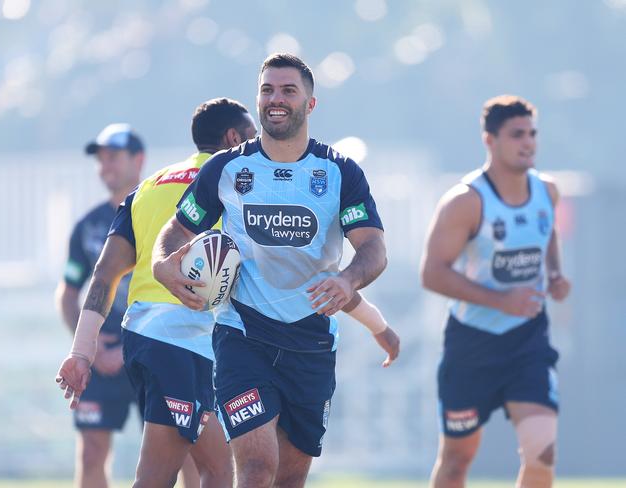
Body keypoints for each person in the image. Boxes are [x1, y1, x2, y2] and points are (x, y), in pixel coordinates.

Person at [152, 54, 389, 488]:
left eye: (287, 90)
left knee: (288, 478)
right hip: (243, 334)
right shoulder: (227, 168)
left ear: (310, 104)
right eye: (266, 90)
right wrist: (162, 263)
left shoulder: (339, 173)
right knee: (258, 469)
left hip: (311, 339)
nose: (275, 99)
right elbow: (178, 228)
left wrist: (348, 280)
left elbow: (373, 247)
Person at [56, 98, 256, 488]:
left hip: (145, 340)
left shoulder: (147, 188)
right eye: (251, 137)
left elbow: (104, 275)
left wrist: (81, 350)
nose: (258, 145)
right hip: (183, 342)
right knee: (167, 474)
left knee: (212, 467)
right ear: (233, 138)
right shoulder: (235, 180)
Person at [420, 95, 571, 488]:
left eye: (533, 133)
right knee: (456, 462)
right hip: (471, 347)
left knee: (543, 454)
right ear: (490, 140)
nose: (529, 143)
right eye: (517, 134)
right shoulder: (465, 202)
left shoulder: (547, 192)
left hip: (528, 344)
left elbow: (547, 233)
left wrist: (555, 273)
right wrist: (501, 300)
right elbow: (432, 274)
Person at [55, 123, 144, 488]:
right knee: (91, 451)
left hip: (152, 348)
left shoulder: (162, 213)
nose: (104, 165)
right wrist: (88, 348)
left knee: (181, 448)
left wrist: (130, 347)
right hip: (100, 356)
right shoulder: (87, 226)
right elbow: (67, 293)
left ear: (138, 160)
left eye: (113, 156)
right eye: (100, 158)